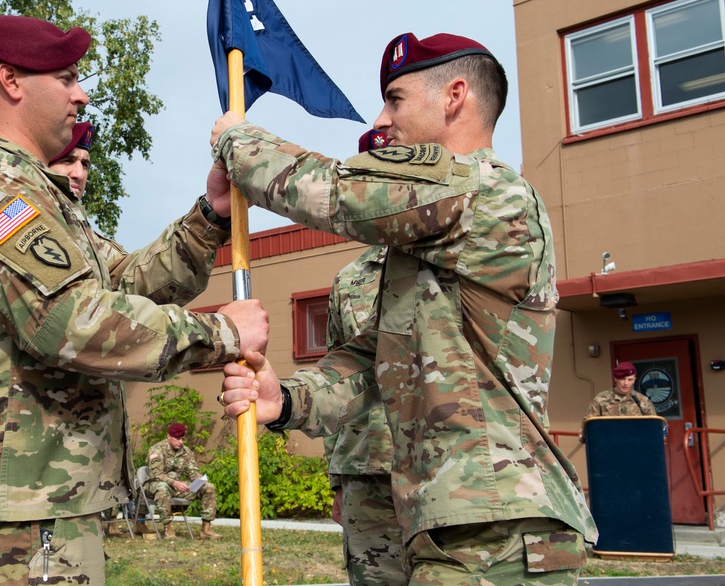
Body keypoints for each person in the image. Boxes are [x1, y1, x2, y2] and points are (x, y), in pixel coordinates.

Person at [0, 14, 268, 586]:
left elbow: (122, 283)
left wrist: (209, 216)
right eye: (66, 77)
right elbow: (70, 322)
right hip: (1, 515)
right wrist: (222, 335)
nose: (81, 93)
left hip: (28, 504)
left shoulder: (36, 195)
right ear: (12, 82)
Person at [214, 32, 597, 586]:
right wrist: (287, 399)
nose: (383, 117)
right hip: (454, 528)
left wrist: (239, 141)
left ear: (454, 95)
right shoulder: (425, 245)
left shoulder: (492, 195)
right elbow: (375, 363)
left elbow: (340, 192)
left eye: (395, 98)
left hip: (500, 526)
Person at [322, 245, 403, 586]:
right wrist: (337, 482)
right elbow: (335, 379)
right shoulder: (350, 278)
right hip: (367, 470)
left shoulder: (459, 259)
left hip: (452, 468)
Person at [144, 423, 221, 540]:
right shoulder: (156, 450)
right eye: (177, 439)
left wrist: (198, 481)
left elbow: (193, 471)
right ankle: (168, 529)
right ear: (169, 436)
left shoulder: (186, 452)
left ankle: (206, 529)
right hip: (155, 485)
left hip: (177, 487)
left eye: (183, 439)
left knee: (208, 487)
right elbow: (156, 474)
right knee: (162, 488)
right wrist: (174, 483)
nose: (181, 442)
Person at [580, 361, 657, 441]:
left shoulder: (642, 401)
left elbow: (654, 427)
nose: (626, 383)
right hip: (609, 446)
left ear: (634, 380)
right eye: (623, 379)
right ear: (616, 378)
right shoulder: (601, 400)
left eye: (630, 379)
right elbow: (588, 428)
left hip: (636, 446)